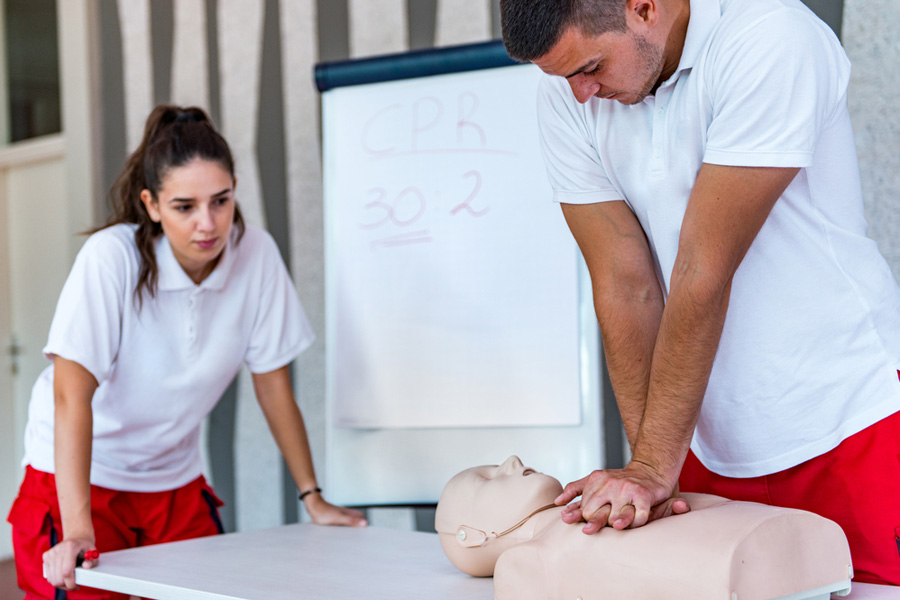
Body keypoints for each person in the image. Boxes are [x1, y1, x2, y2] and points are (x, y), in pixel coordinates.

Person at [499, 0, 900, 586]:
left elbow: (703, 267)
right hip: (699, 441)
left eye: (590, 66)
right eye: (565, 77)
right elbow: (623, 285)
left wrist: (651, 464)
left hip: (843, 422)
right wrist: (651, 469)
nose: (580, 92)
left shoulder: (769, 37)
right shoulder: (568, 93)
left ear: (643, 9)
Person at [6, 105, 366, 600]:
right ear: (152, 204)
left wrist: (314, 497)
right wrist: (77, 529)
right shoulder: (112, 258)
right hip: (78, 479)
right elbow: (71, 397)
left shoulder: (255, 255)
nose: (208, 224)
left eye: (221, 200)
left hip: (172, 481)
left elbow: (273, 386)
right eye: (185, 206)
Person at [435, 457, 853, 599]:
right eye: (489, 477)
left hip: (755, 543)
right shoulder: (522, 560)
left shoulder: (604, 497)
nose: (511, 460)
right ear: (471, 535)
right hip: (732, 564)